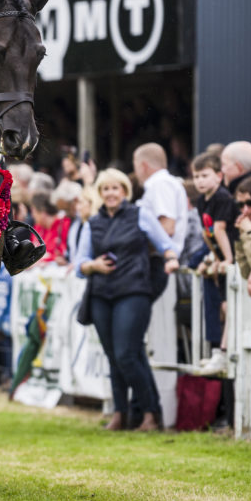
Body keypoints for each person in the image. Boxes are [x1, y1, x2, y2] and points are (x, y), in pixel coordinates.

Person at [76, 168, 180, 432]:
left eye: (116, 188)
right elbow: (80, 262)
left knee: (126, 354)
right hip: (101, 294)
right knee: (114, 356)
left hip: (133, 291)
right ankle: (121, 414)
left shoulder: (140, 215)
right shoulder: (92, 223)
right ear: (100, 194)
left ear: (125, 192)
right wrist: (93, 266)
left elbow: (165, 243)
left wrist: (171, 258)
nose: (111, 193)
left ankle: (150, 413)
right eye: (106, 189)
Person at [190, 153, 235, 374]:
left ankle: (224, 353)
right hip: (218, 257)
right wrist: (213, 259)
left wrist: (227, 259)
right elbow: (206, 234)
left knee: (229, 306)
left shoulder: (223, 198)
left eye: (205, 175)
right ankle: (218, 351)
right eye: (196, 176)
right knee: (221, 306)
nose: (200, 180)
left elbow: (220, 229)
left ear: (219, 176)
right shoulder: (201, 201)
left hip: (232, 254)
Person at [133, 143, 188, 252]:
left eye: (135, 167)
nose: (135, 173)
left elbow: (167, 228)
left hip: (161, 261)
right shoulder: (161, 183)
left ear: (144, 166)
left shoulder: (161, 183)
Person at [30, 191, 69, 266]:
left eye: (34, 211)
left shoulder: (63, 225)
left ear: (43, 212)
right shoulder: (38, 228)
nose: (32, 215)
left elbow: (62, 255)